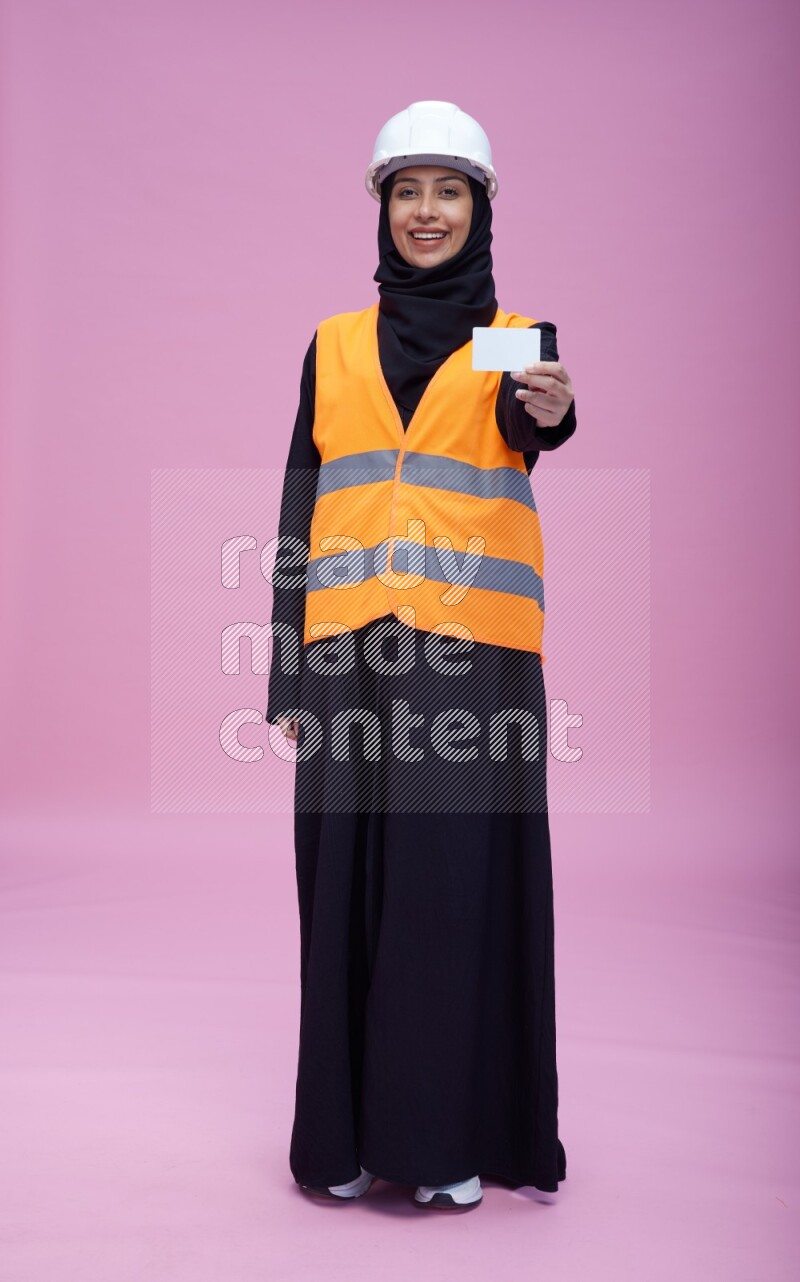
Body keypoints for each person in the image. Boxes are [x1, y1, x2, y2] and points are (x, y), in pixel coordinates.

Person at [266, 101, 576, 1213]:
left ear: (480, 208)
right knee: (341, 891)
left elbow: (533, 420)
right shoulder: (335, 344)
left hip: (471, 665)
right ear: (383, 207)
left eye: (449, 190)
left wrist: (555, 411)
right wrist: (285, 672)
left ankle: (442, 1138)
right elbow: (299, 508)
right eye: (408, 191)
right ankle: (342, 1139)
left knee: (447, 892)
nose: (427, 211)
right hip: (344, 659)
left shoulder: (512, 336)